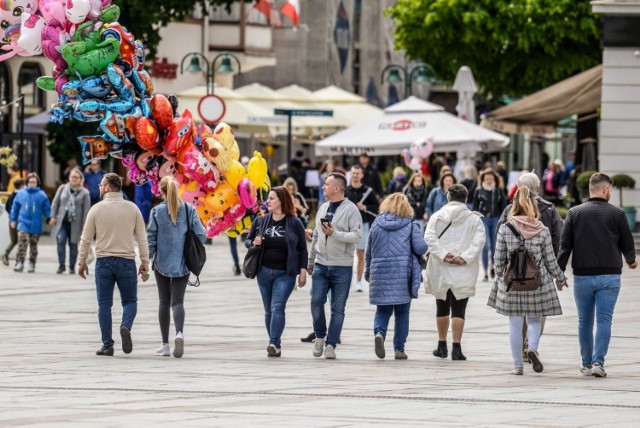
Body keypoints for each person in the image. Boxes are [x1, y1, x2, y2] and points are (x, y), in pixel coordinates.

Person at [557, 172, 637, 377]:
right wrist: (630, 260)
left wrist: (559, 273)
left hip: (583, 275)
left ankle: (585, 364)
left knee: (584, 321)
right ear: (606, 189)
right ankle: (598, 363)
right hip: (610, 275)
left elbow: (565, 246)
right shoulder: (617, 214)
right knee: (604, 320)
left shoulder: (574, 213)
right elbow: (627, 242)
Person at [487, 185, 567, 375]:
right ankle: (532, 348)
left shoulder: (506, 229)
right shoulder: (542, 229)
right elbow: (550, 260)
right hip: (537, 283)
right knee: (533, 320)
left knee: (515, 323)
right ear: (533, 204)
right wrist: (561, 278)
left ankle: (518, 366)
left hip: (512, 283)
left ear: (514, 204)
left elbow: (498, 260)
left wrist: (501, 279)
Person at [77, 173, 150, 357]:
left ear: (108, 187)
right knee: (130, 301)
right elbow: (142, 239)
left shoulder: (96, 209)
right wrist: (144, 262)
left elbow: (86, 240)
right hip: (126, 261)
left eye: (101, 185)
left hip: (104, 262)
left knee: (104, 305)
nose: (99, 187)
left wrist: (82, 261)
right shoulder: (132, 209)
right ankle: (125, 325)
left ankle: (107, 345)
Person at [244, 187, 308, 357]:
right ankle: (274, 342)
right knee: (268, 310)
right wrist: (254, 242)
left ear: (281, 200)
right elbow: (247, 241)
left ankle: (274, 342)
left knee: (278, 306)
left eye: (272, 198)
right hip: (263, 271)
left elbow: (302, 249)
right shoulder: (261, 221)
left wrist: (302, 271)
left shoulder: (294, 222)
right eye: (268, 198)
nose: (268, 201)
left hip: (285, 273)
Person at [147, 176, 206, 358]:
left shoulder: (157, 212)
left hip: (161, 263)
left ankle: (165, 344)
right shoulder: (189, 210)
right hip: (183, 263)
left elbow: (151, 238)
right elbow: (202, 235)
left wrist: (148, 259)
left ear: (162, 192)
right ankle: (179, 333)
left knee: (164, 302)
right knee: (178, 302)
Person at [424, 184, 485, 361]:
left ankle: (441, 345)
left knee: (441, 306)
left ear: (448, 198)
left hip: (440, 267)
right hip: (463, 268)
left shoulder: (436, 216)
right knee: (459, 308)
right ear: (465, 199)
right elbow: (479, 242)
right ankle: (456, 348)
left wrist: (444, 255)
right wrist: (463, 257)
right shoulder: (475, 220)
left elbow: (429, 238)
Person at [365, 193, 427, 360]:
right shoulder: (411, 225)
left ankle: (379, 333)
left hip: (379, 272)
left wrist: (367, 271)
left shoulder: (376, 224)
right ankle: (399, 348)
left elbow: (368, 250)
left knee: (382, 309)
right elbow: (421, 249)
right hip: (402, 273)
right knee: (402, 312)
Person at [307, 172, 362, 359]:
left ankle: (331, 344)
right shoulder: (322, 208)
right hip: (321, 264)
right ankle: (320, 336)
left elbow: (357, 236)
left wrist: (335, 233)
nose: (323, 187)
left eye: (327, 184)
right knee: (315, 301)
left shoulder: (351, 209)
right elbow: (316, 234)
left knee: (338, 308)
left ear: (337, 188)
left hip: (342, 266)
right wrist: (311, 260)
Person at [49, 168, 91, 274]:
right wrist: (52, 216)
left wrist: (84, 226)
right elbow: (55, 203)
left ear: (80, 179)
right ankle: (61, 265)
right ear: (69, 178)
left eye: (76, 177)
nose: (74, 179)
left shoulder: (85, 193)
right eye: (72, 177)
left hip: (76, 223)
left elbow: (86, 211)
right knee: (61, 240)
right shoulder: (63, 188)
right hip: (62, 221)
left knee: (73, 245)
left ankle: (72, 266)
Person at [9, 173, 52, 273]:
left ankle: (32, 263)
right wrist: (13, 220)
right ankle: (19, 262)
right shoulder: (21, 194)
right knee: (22, 242)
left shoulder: (42, 195)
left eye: (34, 182)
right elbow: (15, 208)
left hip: (36, 224)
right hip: (23, 223)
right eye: (30, 182)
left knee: (33, 245)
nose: (32, 184)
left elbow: (47, 209)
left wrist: (50, 218)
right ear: (27, 183)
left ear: (37, 183)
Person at [346, 165, 379, 292]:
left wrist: (364, 207)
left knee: (360, 254)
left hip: (362, 225)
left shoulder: (368, 191)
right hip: (346, 226)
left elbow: (376, 207)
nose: (355, 175)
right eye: (353, 173)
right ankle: (346, 281)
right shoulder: (345, 190)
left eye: (357, 173)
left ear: (361, 175)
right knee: (346, 253)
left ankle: (359, 282)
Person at [473, 168, 507, 282]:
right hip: (484, 219)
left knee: (494, 246)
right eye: (487, 178)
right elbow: (474, 207)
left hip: (496, 219)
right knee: (485, 245)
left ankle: (493, 266)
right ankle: (486, 273)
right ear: (483, 179)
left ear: (494, 179)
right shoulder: (478, 191)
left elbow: (504, 206)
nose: (488, 180)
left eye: (491, 178)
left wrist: (504, 220)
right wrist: (475, 220)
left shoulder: (498, 191)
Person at [1, 178, 24, 266]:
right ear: (22, 185)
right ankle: (19, 260)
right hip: (20, 220)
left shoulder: (11, 196)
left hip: (11, 220)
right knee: (21, 240)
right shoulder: (22, 195)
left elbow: (7, 207)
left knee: (14, 240)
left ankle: (6, 253)